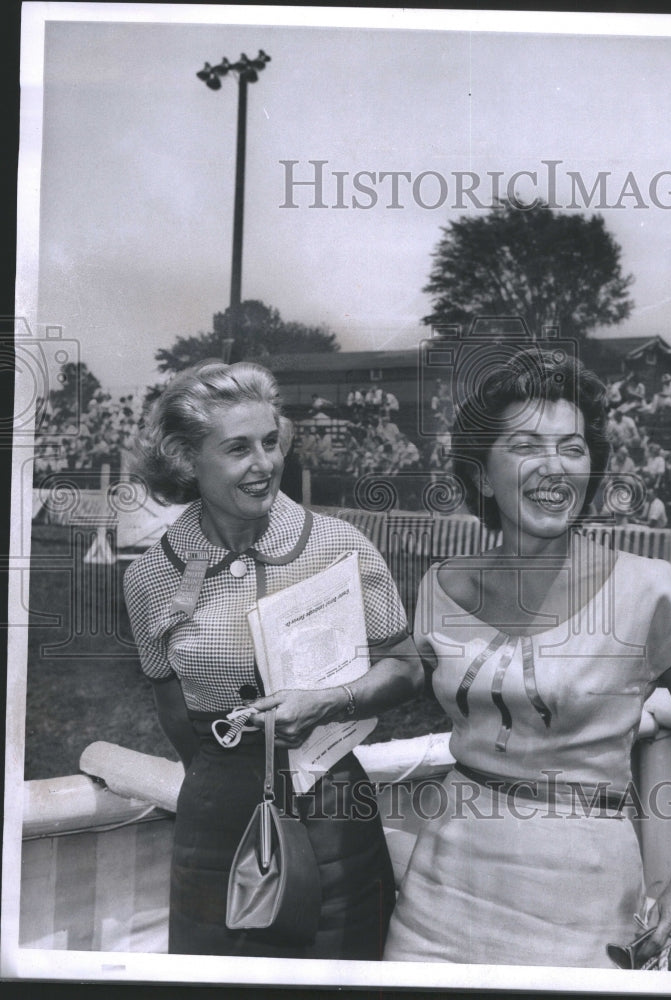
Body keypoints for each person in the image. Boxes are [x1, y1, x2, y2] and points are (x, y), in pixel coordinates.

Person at [384, 349, 671, 969]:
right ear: (483, 475)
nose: (554, 467)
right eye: (525, 446)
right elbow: (405, 674)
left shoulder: (649, 590)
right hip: (436, 899)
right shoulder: (441, 584)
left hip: (580, 901)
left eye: (572, 448)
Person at [124, 361, 422, 958]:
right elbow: (173, 709)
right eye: (237, 449)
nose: (264, 464)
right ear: (186, 460)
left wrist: (333, 702)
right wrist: (223, 777)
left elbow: (408, 669)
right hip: (215, 822)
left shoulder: (341, 545)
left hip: (334, 807)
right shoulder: (149, 576)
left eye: (269, 441)